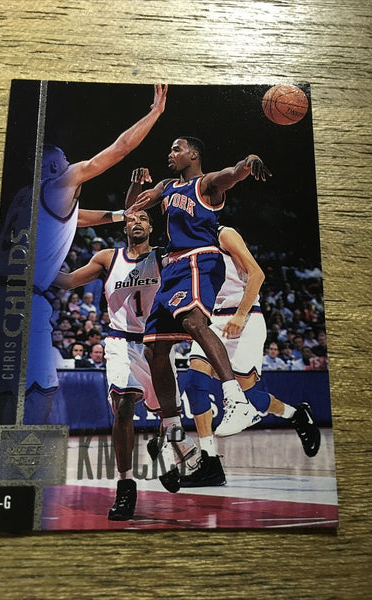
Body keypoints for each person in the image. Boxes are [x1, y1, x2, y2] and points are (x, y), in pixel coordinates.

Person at [124, 139, 272, 486]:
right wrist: (134, 185)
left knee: (193, 321)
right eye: (170, 149)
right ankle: (173, 426)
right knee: (154, 348)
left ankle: (235, 399)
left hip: (199, 259)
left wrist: (247, 162)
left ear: (193, 154)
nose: (170, 154)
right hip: (173, 265)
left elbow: (229, 175)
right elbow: (132, 209)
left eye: (176, 149)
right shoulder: (166, 186)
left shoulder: (204, 185)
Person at [23, 84, 168, 425]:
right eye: (64, 162)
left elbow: (80, 217)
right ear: (53, 168)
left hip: (12, 291)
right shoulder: (59, 183)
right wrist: (155, 112)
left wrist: (122, 214)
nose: (70, 166)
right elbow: (119, 149)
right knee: (41, 393)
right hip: (108, 334)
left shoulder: (28, 197)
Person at [54, 207, 196, 520]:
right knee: (123, 407)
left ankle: (164, 453)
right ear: (125, 227)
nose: (137, 222)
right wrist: (40, 265)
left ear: (152, 228)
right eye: (132, 218)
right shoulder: (108, 258)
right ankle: (126, 485)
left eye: (144, 218)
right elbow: (67, 281)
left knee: (168, 416)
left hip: (156, 345)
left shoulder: (162, 257)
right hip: (119, 341)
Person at [180, 226, 320, 487]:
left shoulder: (224, 234)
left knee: (250, 395)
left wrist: (240, 315)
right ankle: (210, 463)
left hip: (243, 316)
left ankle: (296, 415)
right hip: (211, 322)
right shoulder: (185, 246)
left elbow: (257, 274)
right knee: (194, 382)